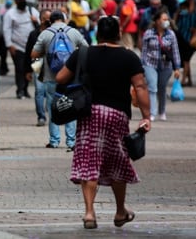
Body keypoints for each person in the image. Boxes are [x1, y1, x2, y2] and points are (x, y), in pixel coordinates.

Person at [55, 16, 151, 229]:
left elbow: (61, 78)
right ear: (118, 34)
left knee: (90, 160)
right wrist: (146, 116)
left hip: (89, 114)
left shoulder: (83, 54)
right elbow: (141, 86)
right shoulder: (129, 57)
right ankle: (119, 211)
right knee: (117, 160)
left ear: (97, 33)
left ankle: (89, 213)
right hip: (117, 116)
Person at [31, 10, 88, 151]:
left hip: (51, 76)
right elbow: (86, 48)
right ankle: (71, 141)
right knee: (71, 105)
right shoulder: (73, 32)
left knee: (52, 107)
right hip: (70, 77)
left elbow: (33, 54)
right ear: (64, 19)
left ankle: (54, 141)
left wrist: (46, 50)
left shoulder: (46, 33)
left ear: (50, 20)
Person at [141, 10, 181, 121]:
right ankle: (152, 113)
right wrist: (142, 66)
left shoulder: (171, 34)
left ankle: (162, 111)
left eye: (167, 19)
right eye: (164, 19)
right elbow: (144, 51)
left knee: (162, 88)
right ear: (157, 21)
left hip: (166, 66)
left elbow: (175, 51)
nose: (166, 21)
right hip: (150, 64)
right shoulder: (148, 33)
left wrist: (177, 68)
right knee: (152, 87)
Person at [3, 0, 40, 99]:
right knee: (19, 68)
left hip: (31, 47)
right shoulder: (10, 13)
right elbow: (6, 29)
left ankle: (25, 89)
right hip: (17, 46)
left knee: (29, 68)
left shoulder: (32, 11)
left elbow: (40, 24)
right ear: (16, 2)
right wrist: (9, 45)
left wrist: (35, 20)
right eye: (19, 0)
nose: (22, 2)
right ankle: (20, 90)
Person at [25, 8, 51, 127]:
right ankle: (41, 116)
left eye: (50, 19)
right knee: (39, 91)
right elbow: (28, 52)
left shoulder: (55, 33)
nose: (48, 21)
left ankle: (52, 116)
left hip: (52, 63)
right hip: (37, 63)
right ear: (40, 20)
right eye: (45, 19)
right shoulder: (34, 34)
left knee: (51, 91)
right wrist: (27, 70)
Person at [174, 0, 196, 86]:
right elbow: (175, 26)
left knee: (186, 61)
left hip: (189, 41)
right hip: (181, 41)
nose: (183, 10)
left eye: (183, 8)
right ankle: (189, 80)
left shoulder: (192, 16)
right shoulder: (181, 16)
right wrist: (177, 14)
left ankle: (183, 80)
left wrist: (194, 30)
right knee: (187, 61)